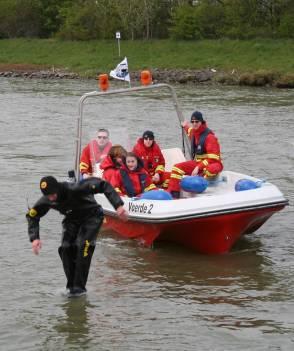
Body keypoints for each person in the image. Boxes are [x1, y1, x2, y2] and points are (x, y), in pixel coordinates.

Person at [26, 175, 127, 297]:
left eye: (53, 194)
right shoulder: (47, 199)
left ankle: (79, 289)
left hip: (92, 216)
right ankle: (71, 287)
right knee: (65, 248)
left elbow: (102, 185)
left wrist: (118, 205)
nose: (51, 198)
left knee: (82, 245)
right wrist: (35, 238)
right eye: (48, 196)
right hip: (72, 219)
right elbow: (32, 215)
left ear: (57, 188)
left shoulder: (74, 188)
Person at [167, 111, 223, 199]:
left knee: (209, 170)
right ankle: (174, 194)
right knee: (176, 168)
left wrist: (198, 167)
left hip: (212, 164)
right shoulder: (194, 132)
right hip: (199, 163)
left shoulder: (210, 137)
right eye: (192, 122)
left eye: (197, 121)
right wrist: (185, 125)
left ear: (201, 122)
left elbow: (213, 159)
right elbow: (189, 130)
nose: (194, 124)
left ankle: (204, 189)